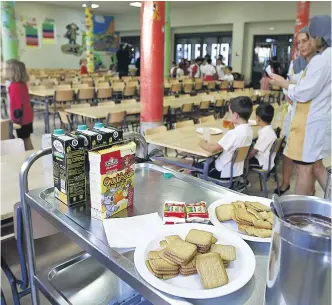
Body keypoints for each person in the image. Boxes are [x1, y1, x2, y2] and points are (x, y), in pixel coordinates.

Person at [270, 15, 331, 195]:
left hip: (309, 123)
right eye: (299, 43)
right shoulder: (323, 58)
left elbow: (303, 93)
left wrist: (283, 84)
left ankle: (299, 215)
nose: (304, 44)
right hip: (316, 119)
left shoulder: (321, 60)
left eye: (309, 38)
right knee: (317, 167)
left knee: (304, 169)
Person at [276, 26, 317, 195]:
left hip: (310, 116)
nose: (300, 45)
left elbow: (305, 90)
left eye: (304, 41)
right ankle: (285, 183)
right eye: (298, 42)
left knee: (310, 162)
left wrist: (290, 87)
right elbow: (290, 82)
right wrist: (288, 91)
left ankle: (310, 194)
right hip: (293, 112)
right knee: (288, 150)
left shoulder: (319, 64)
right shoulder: (295, 63)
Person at [197, 96, 253, 179]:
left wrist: (201, 142)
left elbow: (213, 149)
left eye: (230, 113)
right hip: (236, 171)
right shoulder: (249, 130)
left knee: (192, 166)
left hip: (222, 171)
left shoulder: (234, 133)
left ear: (235, 115)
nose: (229, 115)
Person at [5, 59, 34, 150]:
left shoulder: (14, 86)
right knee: (27, 139)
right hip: (27, 116)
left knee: (24, 141)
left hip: (21, 119)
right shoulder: (22, 84)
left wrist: (14, 120)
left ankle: (30, 158)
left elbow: (16, 105)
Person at [249, 104, 277, 170]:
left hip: (262, 162)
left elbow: (253, 152)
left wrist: (243, 158)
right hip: (267, 160)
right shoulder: (269, 130)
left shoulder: (265, 134)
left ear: (258, 118)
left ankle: (242, 178)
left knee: (241, 161)